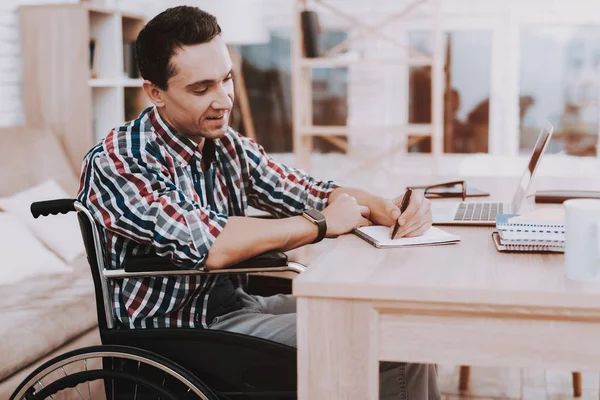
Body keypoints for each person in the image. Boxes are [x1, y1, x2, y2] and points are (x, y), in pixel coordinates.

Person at [77, 6, 439, 399]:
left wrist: (385, 206)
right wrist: (318, 224)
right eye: (202, 89)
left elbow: (311, 190)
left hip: (235, 306)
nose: (223, 100)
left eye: (226, 79)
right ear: (155, 92)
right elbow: (213, 245)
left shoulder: (227, 145)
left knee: (394, 320)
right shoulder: (120, 159)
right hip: (180, 332)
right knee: (389, 343)